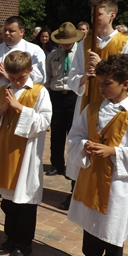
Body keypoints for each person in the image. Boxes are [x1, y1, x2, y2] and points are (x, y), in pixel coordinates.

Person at [67, 54, 128, 256]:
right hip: (93, 176)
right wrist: (83, 145)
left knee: (114, 223)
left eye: (107, 83)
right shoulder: (92, 108)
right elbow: (75, 135)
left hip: (117, 182)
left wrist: (113, 151)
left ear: (125, 84)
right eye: (100, 83)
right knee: (91, 221)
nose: (101, 88)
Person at [0, 51, 52, 256]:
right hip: (5, 151)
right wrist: (2, 109)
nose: (16, 82)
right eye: (12, 78)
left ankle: (24, 244)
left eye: (20, 77)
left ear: (30, 70)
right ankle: (10, 238)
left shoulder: (39, 92)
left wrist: (20, 108)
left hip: (26, 155)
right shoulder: (2, 91)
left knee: (25, 202)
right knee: (8, 201)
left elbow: (44, 121)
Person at [66, 0, 128, 187]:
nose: (94, 18)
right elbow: (73, 76)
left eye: (98, 14)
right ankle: (77, 189)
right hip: (87, 102)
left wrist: (101, 66)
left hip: (114, 107)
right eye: (92, 14)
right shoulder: (84, 43)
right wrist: (84, 76)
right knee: (84, 142)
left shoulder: (127, 43)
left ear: (112, 15)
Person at [45, 22, 83, 184]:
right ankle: (56, 164)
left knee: (73, 132)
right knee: (57, 131)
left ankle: (72, 167)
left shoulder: (80, 55)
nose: (65, 44)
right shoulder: (53, 55)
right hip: (57, 95)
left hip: (74, 95)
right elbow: (47, 76)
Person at [0, 16, 46, 91]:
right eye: (5, 30)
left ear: (22, 32)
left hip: (23, 95)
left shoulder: (34, 51)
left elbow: (40, 77)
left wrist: (11, 76)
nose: (6, 33)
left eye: (11, 31)